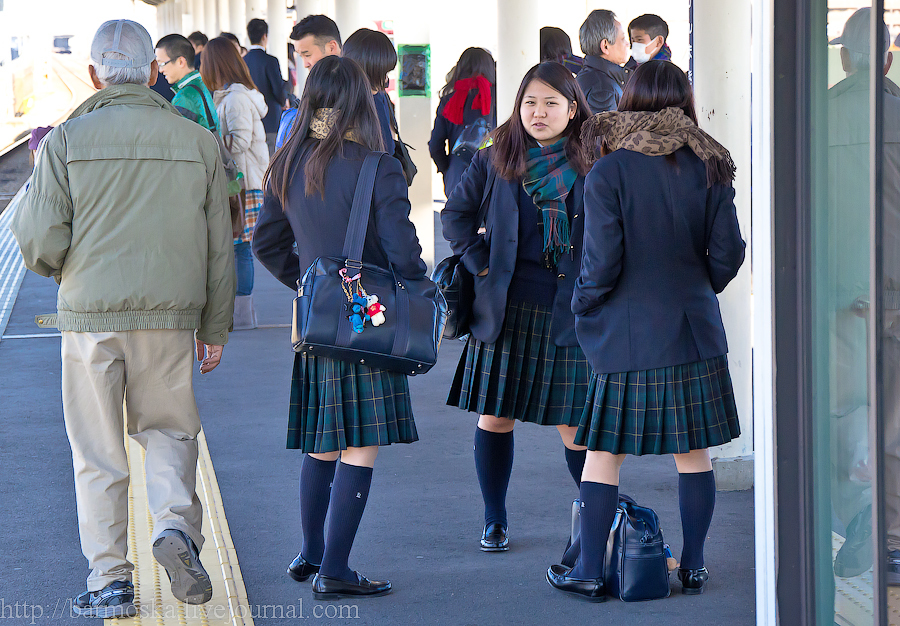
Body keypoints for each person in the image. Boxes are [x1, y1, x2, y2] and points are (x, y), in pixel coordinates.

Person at [10, 19, 234, 618]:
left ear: (93, 75)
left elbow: (36, 240)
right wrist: (213, 329)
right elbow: (220, 245)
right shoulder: (195, 140)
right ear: (154, 72)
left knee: (98, 452)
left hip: (87, 319)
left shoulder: (65, 140)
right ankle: (175, 530)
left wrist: (68, 271)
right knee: (168, 430)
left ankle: (111, 580)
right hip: (169, 317)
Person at [545, 60, 744, 601]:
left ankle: (589, 568)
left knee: (603, 454)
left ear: (628, 100)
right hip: (692, 330)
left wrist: (584, 306)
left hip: (625, 333)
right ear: (685, 101)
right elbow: (729, 252)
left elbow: (602, 261)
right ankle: (695, 566)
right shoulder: (709, 163)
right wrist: (695, 290)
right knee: (694, 453)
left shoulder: (609, 171)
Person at [252, 55, 432, 599]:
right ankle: (335, 569)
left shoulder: (288, 160)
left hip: (319, 326)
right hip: (367, 323)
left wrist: (313, 289)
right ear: (364, 101)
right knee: (361, 446)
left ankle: (311, 552)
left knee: (321, 442)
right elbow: (403, 252)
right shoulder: (378, 165)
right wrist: (417, 286)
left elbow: (266, 243)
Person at [442, 62, 593, 552]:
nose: (539, 112)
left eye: (551, 103)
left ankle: (596, 516)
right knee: (494, 417)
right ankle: (494, 519)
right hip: (505, 306)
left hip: (567, 307)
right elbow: (457, 216)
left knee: (574, 422)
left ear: (572, 109)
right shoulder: (496, 156)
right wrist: (480, 263)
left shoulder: (594, 160)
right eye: (530, 102)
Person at [826, 7, 900, 585]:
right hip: (898, 299)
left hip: (840, 299)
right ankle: (887, 538)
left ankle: (855, 526)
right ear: (889, 59)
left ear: (845, 57)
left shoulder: (820, 116)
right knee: (893, 421)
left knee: (839, 415)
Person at [201, 37, 269, 330]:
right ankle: (240, 313)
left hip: (244, 182)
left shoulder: (237, 98)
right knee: (237, 247)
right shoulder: (234, 95)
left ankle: (242, 314)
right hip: (242, 181)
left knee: (240, 248)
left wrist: (208, 141)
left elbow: (239, 141)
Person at [428, 47, 496, 197]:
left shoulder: (448, 100)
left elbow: (435, 146)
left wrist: (447, 169)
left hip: (458, 180)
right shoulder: (501, 98)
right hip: (494, 179)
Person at [276, 15, 342, 150]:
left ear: (331, 48)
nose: (306, 64)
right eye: (301, 56)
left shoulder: (358, 86)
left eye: (307, 55)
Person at [341, 28, 396, 155]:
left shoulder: (379, 97)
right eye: (383, 73)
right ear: (370, 70)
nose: (385, 80)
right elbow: (387, 149)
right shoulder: (376, 99)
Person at [155, 33, 219, 131]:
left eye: (162, 64)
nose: (160, 70)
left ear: (181, 62)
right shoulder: (201, 83)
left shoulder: (184, 97)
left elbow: (180, 140)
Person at [245, 18, 287, 155]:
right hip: (271, 119)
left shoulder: (242, 61)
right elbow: (278, 90)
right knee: (272, 157)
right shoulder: (270, 61)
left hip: (250, 119)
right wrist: (284, 101)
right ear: (265, 36)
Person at [576, 9, 632, 114]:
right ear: (605, 46)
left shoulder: (590, 75)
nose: (627, 44)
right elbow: (604, 129)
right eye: (623, 38)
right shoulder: (602, 90)